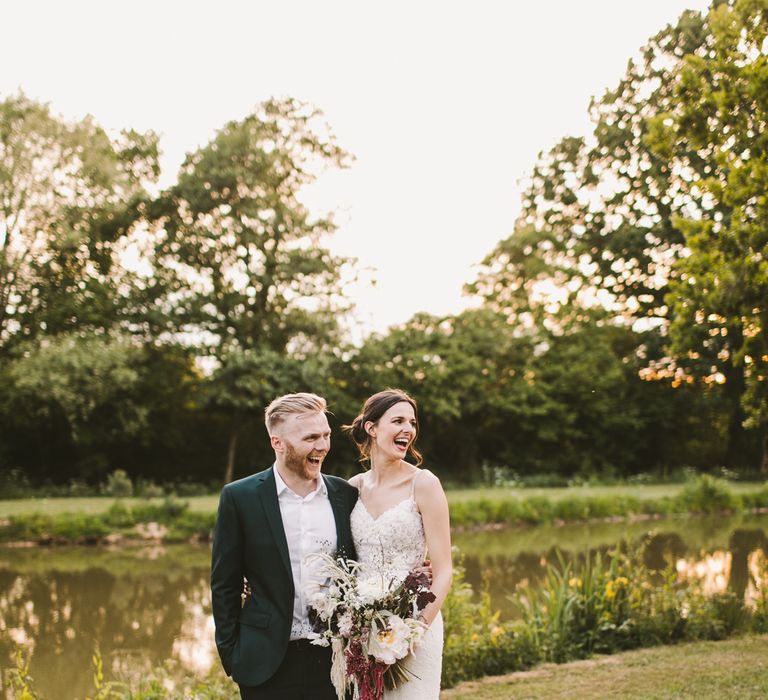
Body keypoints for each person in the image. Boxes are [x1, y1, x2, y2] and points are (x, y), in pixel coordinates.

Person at [210, 392, 358, 699]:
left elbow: (361, 565)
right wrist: (231, 654)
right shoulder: (240, 497)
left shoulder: (344, 495)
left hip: (334, 659)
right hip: (265, 662)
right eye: (311, 438)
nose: (322, 446)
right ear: (278, 443)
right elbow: (224, 584)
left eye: (326, 435)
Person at [345, 388, 452, 699]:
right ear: (372, 428)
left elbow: (444, 571)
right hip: (362, 629)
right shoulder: (353, 488)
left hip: (416, 624)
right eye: (398, 420)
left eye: (413, 422)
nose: (409, 429)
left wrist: (414, 631)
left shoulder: (425, 484)